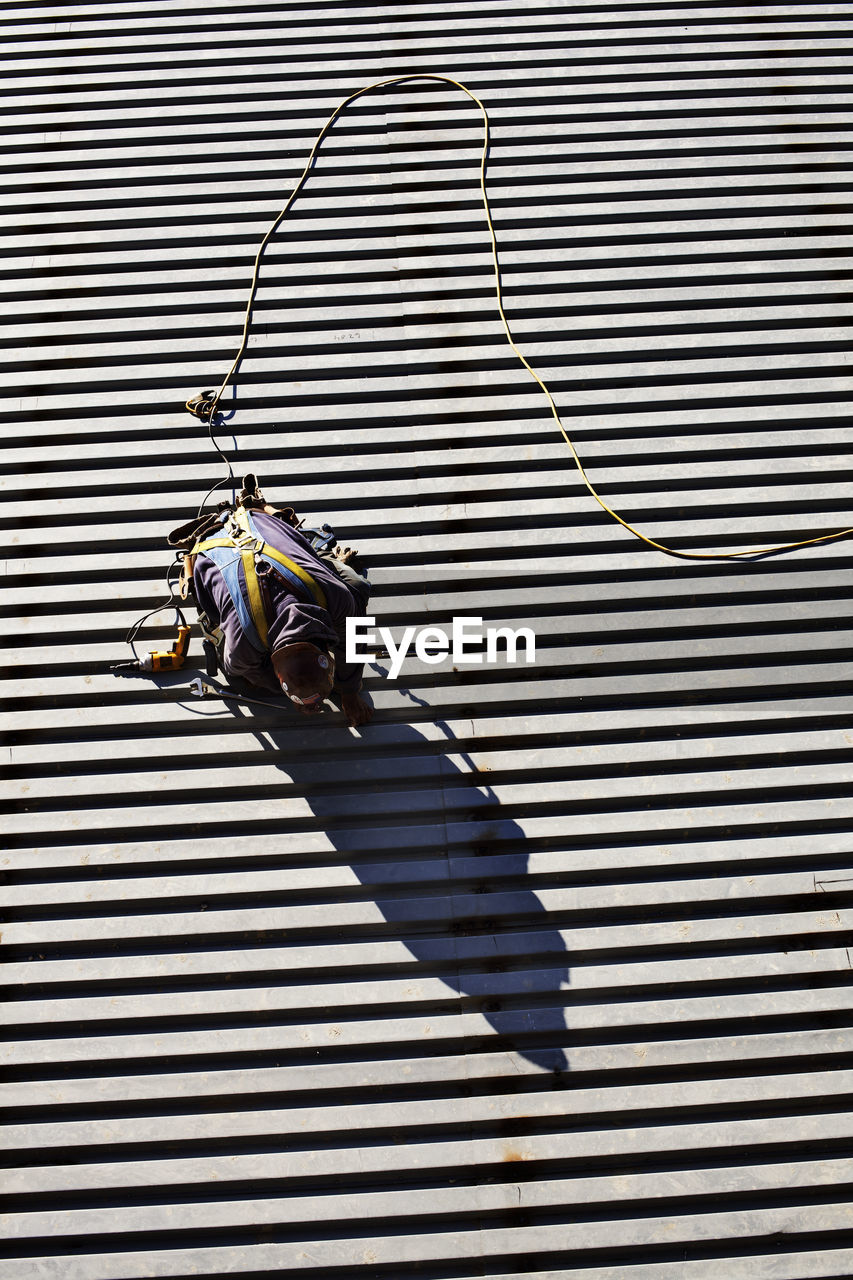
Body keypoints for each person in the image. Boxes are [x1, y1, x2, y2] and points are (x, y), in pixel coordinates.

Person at [179, 485, 374, 727]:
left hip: (261, 525)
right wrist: (292, 690)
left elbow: (353, 638)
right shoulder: (242, 647)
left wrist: (349, 691)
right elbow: (241, 668)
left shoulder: (336, 598)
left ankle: (258, 509)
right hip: (213, 550)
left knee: (357, 587)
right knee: (239, 680)